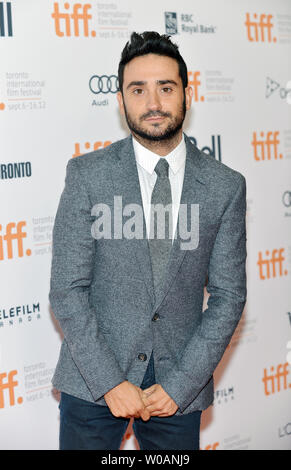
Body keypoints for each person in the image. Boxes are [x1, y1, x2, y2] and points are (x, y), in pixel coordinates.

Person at [49, 31, 247, 451]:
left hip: (178, 389)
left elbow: (229, 297)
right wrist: (109, 382)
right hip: (91, 382)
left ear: (186, 96)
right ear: (121, 101)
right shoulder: (87, 176)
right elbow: (67, 289)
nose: (153, 103)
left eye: (166, 88)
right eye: (138, 89)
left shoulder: (225, 187)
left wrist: (180, 385)